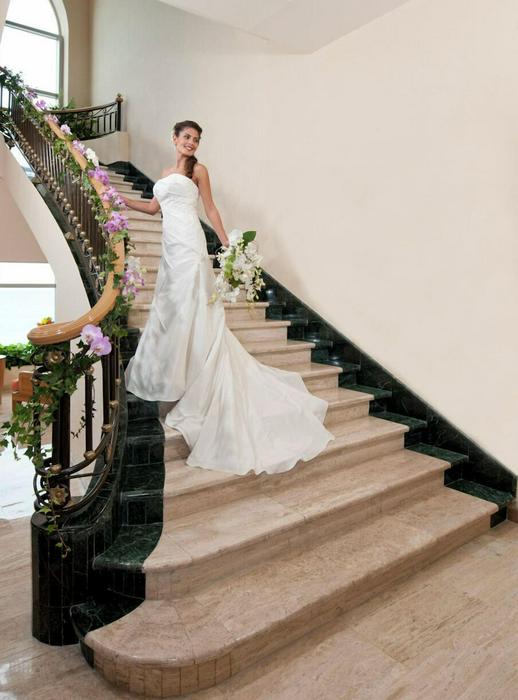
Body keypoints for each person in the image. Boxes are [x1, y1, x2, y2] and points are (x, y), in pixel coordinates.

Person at [122, 120, 334, 475]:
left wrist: (227, 246)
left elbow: (210, 209)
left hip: (190, 244)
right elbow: (152, 210)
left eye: (196, 139)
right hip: (170, 248)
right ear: (174, 138)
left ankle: (197, 370)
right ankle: (175, 370)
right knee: (171, 308)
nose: (191, 143)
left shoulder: (199, 170)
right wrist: (119, 199)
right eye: (186, 137)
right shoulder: (164, 173)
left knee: (192, 304)